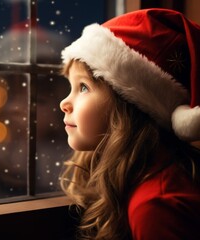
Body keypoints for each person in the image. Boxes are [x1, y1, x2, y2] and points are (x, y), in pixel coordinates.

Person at [58, 8, 200, 240]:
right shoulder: (143, 181)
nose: (64, 102)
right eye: (70, 87)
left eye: (83, 87)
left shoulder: (158, 207)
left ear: (130, 105)